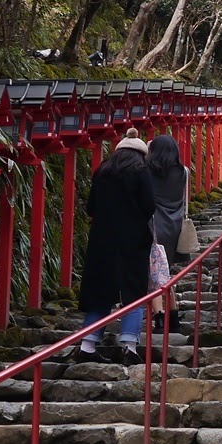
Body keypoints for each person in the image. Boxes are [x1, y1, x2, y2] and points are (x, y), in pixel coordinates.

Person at [70, 136, 154, 365]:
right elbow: (149, 205)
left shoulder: (103, 172)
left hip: (102, 239)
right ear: (140, 153)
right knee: (133, 291)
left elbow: (91, 207)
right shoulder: (141, 171)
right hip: (133, 239)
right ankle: (129, 346)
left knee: (100, 290)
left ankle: (87, 343)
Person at [146, 134, 193, 336]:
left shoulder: (147, 172)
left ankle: (160, 318)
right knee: (165, 275)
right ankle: (173, 317)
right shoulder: (183, 172)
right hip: (174, 227)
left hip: (153, 225)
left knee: (154, 274)